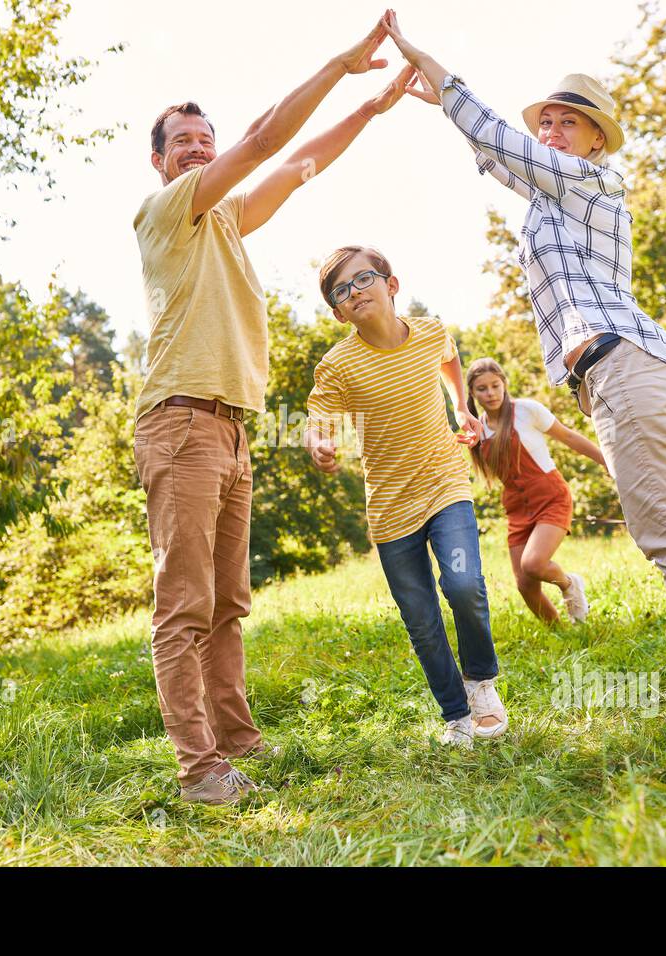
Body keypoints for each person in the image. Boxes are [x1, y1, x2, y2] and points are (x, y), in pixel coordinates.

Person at [380, 9, 666, 735]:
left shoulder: (591, 184)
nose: (550, 131)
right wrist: (445, 110)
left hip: (628, 367)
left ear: (595, 139)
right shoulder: (557, 196)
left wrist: (422, 58)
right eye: (546, 121)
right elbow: (497, 156)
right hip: (615, 379)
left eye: (565, 122)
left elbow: (497, 137)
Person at [133, 15, 417, 804]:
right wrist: (339, 63)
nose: (199, 147)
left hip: (230, 428)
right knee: (184, 606)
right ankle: (199, 772)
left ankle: (238, 743)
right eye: (185, 140)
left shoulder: (224, 220)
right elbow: (260, 142)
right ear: (162, 161)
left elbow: (294, 163)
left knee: (227, 604)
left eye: (204, 137)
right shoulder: (168, 215)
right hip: (180, 422)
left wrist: (371, 107)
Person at [303, 245, 507, 748]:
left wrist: (461, 405)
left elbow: (450, 355)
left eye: (363, 279)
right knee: (420, 619)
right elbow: (318, 420)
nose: (354, 292)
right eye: (341, 291)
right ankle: (456, 714)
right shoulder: (338, 366)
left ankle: (480, 684)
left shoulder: (430, 331)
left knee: (463, 584)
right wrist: (319, 443)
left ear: (391, 285)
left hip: (445, 485)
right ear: (337, 312)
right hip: (391, 509)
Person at [466, 357, 606, 626]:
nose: (491, 393)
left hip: (551, 497)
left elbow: (568, 437)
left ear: (504, 385)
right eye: (482, 389)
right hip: (516, 507)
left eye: (495, 385)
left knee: (533, 564)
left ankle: (569, 584)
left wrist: (605, 461)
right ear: (472, 394)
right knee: (525, 585)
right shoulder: (476, 429)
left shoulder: (527, 411)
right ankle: (562, 634)